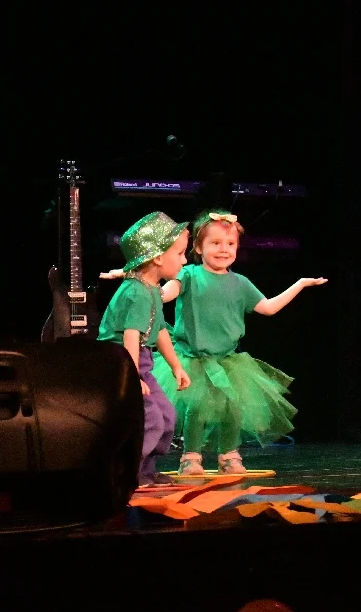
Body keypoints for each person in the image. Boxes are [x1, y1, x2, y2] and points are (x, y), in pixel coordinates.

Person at [102, 209, 326, 476]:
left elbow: (268, 307)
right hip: (194, 358)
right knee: (196, 407)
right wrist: (132, 275)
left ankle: (229, 455)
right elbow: (161, 293)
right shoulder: (189, 275)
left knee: (233, 407)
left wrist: (299, 284)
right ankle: (190, 457)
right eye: (216, 243)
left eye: (230, 244)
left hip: (228, 361)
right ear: (198, 247)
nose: (224, 249)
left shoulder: (240, 283)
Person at [96, 211, 192, 487]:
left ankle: (145, 471)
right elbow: (131, 336)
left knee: (167, 417)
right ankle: (125, 472)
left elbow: (159, 331)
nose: (184, 261)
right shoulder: (137, 292)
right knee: (149, 420)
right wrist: (133, 376)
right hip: (122, 363)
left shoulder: (152, 289)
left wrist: (176, 366)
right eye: (179, 253)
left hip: (141, 361)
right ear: (158, 257)